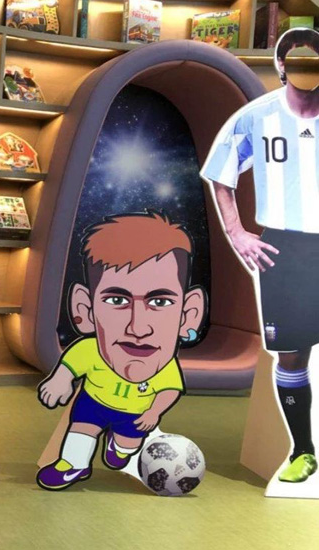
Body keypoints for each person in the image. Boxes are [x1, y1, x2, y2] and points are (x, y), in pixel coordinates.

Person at [201, 28, 319, 483]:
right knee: (292, 355)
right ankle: (303, 452)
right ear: (282, 66)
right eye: (298, 60)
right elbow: (221, 174)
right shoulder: (257, 117)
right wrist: (237, 233)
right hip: (284, 248)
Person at [36, 212, 207, 490]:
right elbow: (70, 365)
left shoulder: (166, 366)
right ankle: (72, 465)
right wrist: (60, 380)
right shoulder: (89, 349)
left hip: (134, 414)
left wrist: (154, 412)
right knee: (81, 431)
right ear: (84, 309)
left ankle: (120, 447)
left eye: (160, 302)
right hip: (94, 402)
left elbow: (169, 390)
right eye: (117, 300)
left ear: (189, 315)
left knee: (127, 444)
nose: (138, 328)